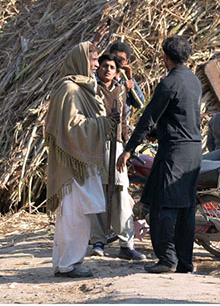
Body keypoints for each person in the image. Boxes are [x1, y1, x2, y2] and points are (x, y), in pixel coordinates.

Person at [117, 35, 202, 274]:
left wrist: (129, 149)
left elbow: (148, 118)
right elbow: (180, 116)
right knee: (186, 208)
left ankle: (167, 259)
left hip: (174, 152)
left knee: (162, 205)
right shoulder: (194, 81)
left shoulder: (169, 83)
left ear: (166, 57)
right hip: (194, 151)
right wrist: (160, 131)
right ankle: (184, 262)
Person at [46, 42, 120, 278]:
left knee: (76, 214)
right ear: (80, 60)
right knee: (73, 215)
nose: (97, 65)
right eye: (93, 60)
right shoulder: (70, 90)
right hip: (73, 165)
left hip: (82, 164)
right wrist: (103, 124)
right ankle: (69, 264)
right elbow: (71, 128)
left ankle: (66, 262)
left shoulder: (83, 88)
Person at [89, 53, 146, 261]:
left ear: (116, 71)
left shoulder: (122, 89)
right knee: (99, 192)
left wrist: (127, 147)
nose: (107, 70)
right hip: (97, 145)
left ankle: (126, 243)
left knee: (121, 193)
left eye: (112, 67)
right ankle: (98, 240)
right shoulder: (90, 89)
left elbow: (127, 116)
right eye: (104, 66)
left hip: (118, 146)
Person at [107, 41, 146, 115]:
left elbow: (140, 104)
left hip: (123, 124)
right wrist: (121, 90)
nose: (117, 62)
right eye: (114, 58)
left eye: (120, 59)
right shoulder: (101, 75)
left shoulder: (126, 78)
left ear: (126, 61)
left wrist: (130, 80)